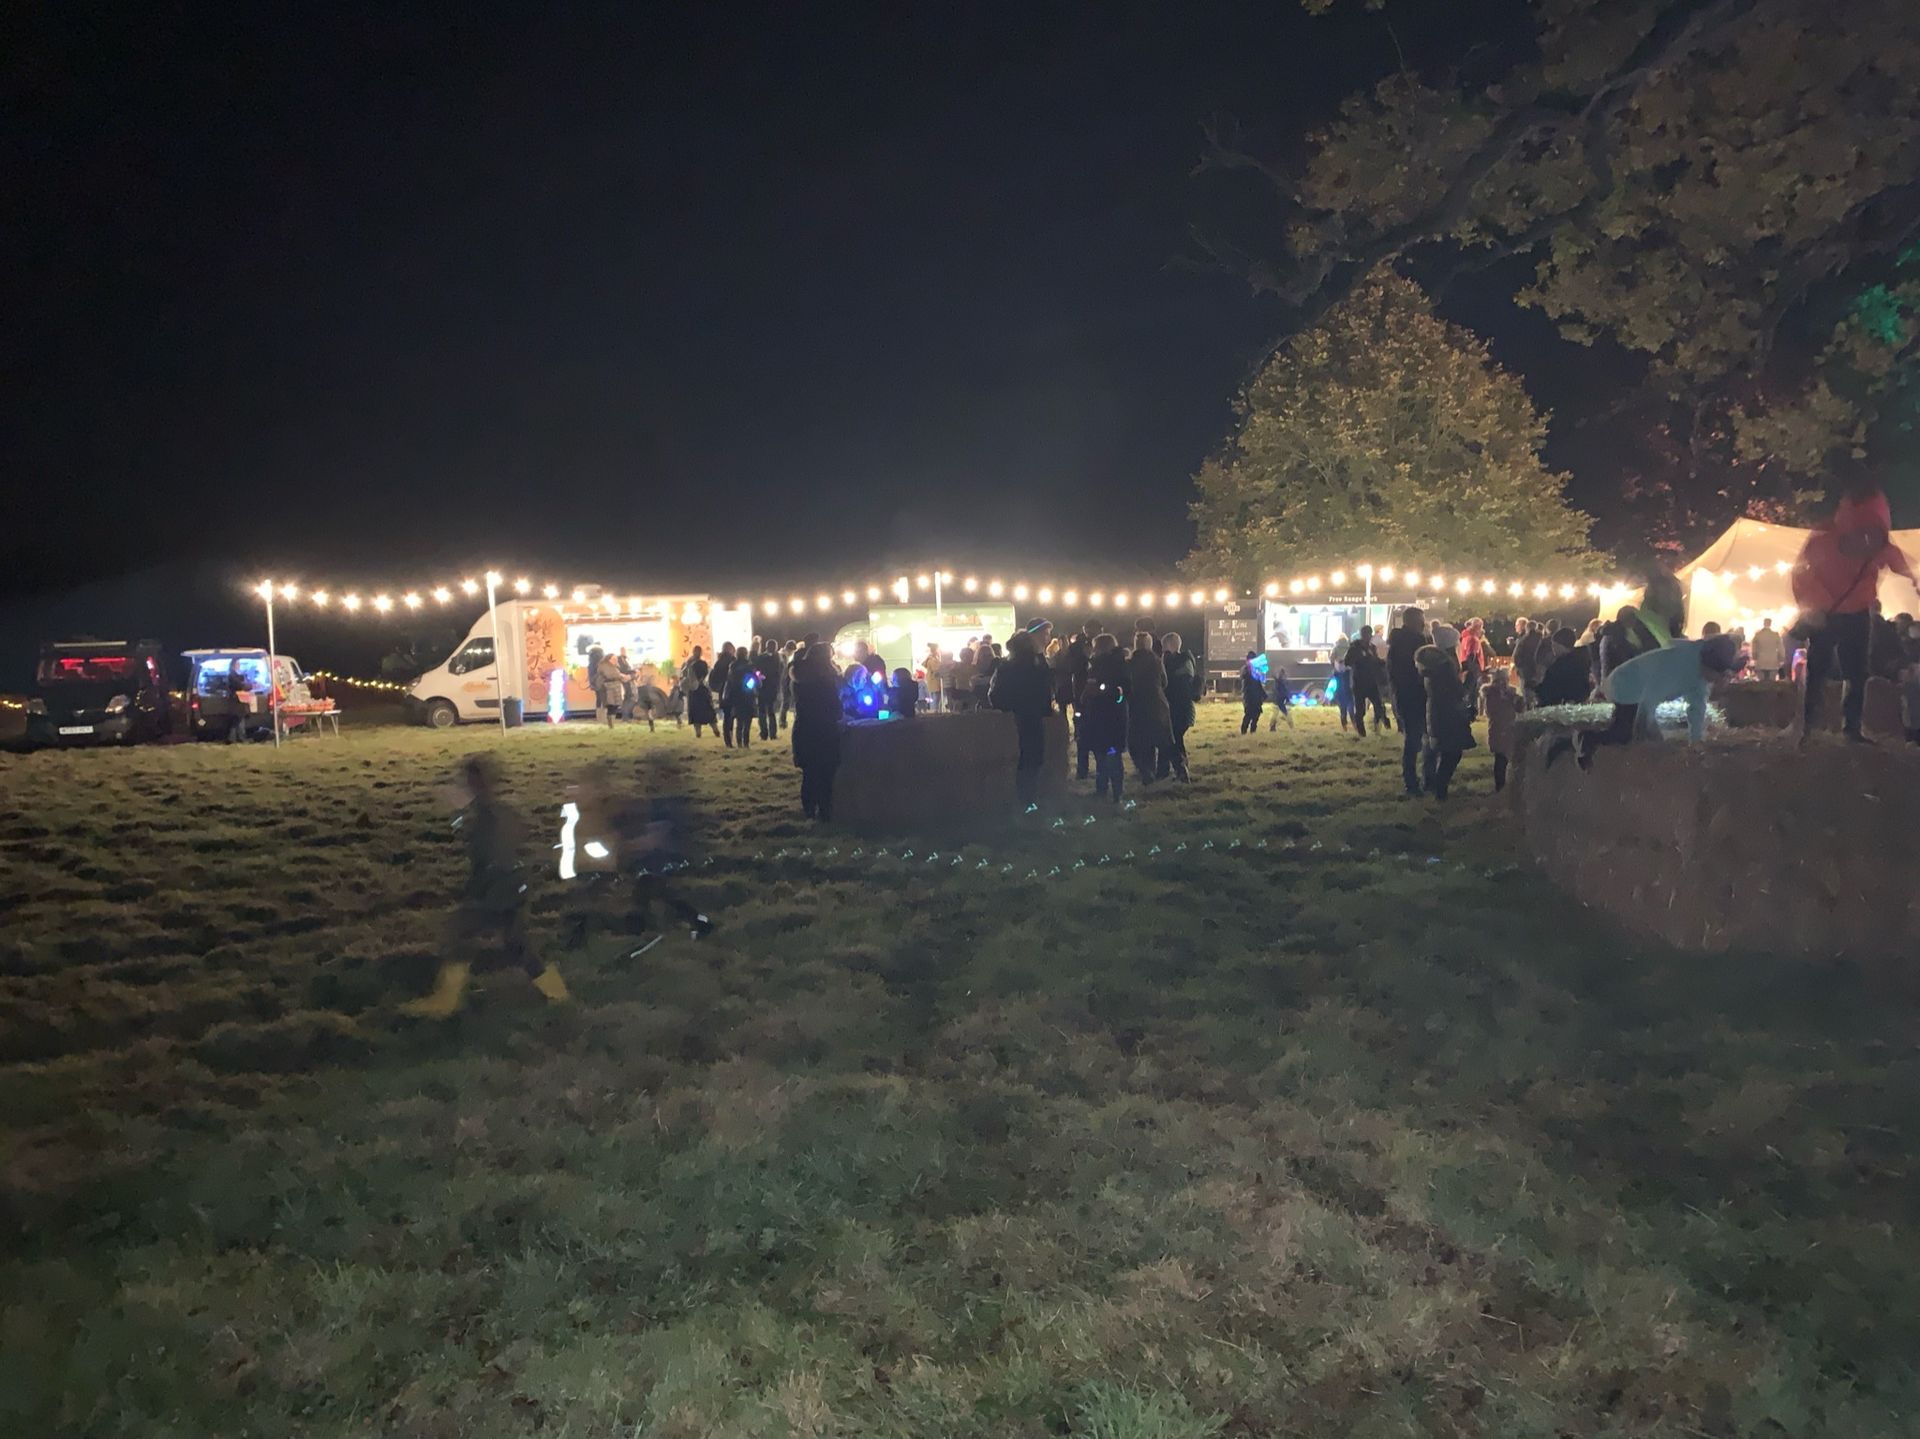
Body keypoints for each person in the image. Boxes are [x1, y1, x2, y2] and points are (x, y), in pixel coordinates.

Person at [404, 755, 568, 1017]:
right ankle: (558, 994)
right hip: (512, 886)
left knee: (460, 931)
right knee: (517, 944)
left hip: (496, 889)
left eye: (465, 780)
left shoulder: (486, 814)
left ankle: (445, 1001)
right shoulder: (501, 810)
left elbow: (485, 851)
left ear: (475, 782)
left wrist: (457, 816)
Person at [1792, 464, 1915, 742]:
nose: (1866, 539)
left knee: (1856, 672)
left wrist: (1915, 580)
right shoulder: (1823, 541)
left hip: (1856, 612)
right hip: (1826, 613)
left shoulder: (1877, 545)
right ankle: (1808, 726)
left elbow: (1901, 564)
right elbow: (1802, 575)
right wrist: (1815, 607)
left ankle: (1851, 727)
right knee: (1818, 670)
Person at [1600, 633, 1747, 743]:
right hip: (1625, 687)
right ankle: (1585, 740)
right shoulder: (1679, 664)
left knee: (1651, 741)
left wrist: (1696, 741)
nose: (1720, 681)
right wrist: (1644, 729)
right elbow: (1650, 696)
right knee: (1624, 737)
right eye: (1721, 675)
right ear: (1712, 668)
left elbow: (1697, 708)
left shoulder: (1700, 674)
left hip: (1637, 691)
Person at [990, 623, 1056, 807]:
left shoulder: (1006, 667)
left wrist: (1004, 707)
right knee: (1033, 759)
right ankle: (1029, 799)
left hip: (1012, 717)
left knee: (1016, 759)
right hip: (1033, 716)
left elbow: (995, 693)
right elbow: (1047, 689)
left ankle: (1019, 799)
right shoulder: (1038, 666)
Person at [790, 640, 843, 820]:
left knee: (810, 773)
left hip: (805, 728)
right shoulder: (826, 679)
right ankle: (825, 810)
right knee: (826, 773)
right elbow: (833, 705)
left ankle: (810, 809)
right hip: (824, 729)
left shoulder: (801, 677)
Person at [1415, 644, 1475, 800]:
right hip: (1449, 716)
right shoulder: (1444, 672)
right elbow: (1458, 692)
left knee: (1437, 751)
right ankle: (1440, 789)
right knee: (1452, 753)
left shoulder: (1429, 675)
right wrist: (1470, 678)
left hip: (1436, 715)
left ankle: (1432, 784)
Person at [1077, 633, 1130, 801]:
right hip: (1113, 717)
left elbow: (1121, 691)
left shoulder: (1107, 666)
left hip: (1105, 716)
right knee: (1107, 754)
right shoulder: (1119, 664)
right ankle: (1112, 790)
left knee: (1106, 754)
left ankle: (1110, 791)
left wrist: (1102, 692)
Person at [1387, 607, 1430, 796]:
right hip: (1417, 694)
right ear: (1413, 621)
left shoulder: (1395, 642)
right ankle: (1419, 781)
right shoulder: (1417, 642)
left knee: (1414, 738)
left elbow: (1392, 671)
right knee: (1421, 738)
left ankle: (1413, 780)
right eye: (1421, 620)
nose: (1423, 623)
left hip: (1403, 695)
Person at [1125, 631, 1172, 781]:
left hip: (1137, 704)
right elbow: (1164, 682)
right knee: (1162, 739)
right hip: (1157, 703)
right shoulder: (1156, 661)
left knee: (1142, 740)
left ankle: (1146, 770)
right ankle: (1163, 771)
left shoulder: (1129, 663)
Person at [1159, 631, 1198, 781]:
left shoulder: (1181, 662)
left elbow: (1174, 683)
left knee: (1173, 740)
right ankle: (1177, 769)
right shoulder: (1184, 660)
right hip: (1181, 707)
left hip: (1180, 708)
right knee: (1175, 739)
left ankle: (1181, 769)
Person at [1345, 626, 1389, 737]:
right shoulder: (1355, 647)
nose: (1367, 637)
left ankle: (1378, 728)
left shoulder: (1371, 647)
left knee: (1379, 706)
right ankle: (1361, 733)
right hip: (1359, 682)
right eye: (1365, 634)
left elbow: (1375, 661)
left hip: (1371, 681)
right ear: (1362, 634)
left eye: (1369, 634)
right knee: (1360, 710)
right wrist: (1360, 660)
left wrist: (1382, 663)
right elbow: (1347, 661)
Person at [1534, 626, 1593, 707]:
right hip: (1578, 701)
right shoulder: (1581, 659)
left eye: (1554, 645)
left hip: (1562, 704)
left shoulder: (1561, 665)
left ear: (1561, 645)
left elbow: (1550, 687)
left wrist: (1536, 688)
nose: (1553, 648)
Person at [1483, 666, 1519, 793]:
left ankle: (1510, 784)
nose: (1502, 684)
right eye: (1499, 681)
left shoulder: (1512, 694)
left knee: (1511, 758)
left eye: (1504, 680)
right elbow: (1491, 711)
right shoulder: (1490, 694)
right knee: (1500, 759)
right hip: (1498, 730)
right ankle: (1500, 786)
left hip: (1510, 730)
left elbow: (1519, 708)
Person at [720, 654, 758, 748]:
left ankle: (739, 743)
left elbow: (730, 682)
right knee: (747, 722)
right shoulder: (750, 666)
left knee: (739, 722)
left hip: (737, 698)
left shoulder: (732, 667)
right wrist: (750, 687)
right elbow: (754, 680)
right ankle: (746, 743)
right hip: (748, 697)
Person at [682, 645, 717, 738]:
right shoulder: (702, 664)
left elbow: (684, 674)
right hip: (702, 689)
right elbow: (705, 675)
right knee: (708, 711)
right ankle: (714, 730)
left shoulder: (690, 664)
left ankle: (699, 732)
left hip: (694, 690)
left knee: (696, 712)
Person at [756, 642, 786, 740]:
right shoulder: (779, 658)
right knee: (770, 711)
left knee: (763, 712)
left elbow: (756, 670)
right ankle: (771, 734)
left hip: (763, 687)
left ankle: (764, 733)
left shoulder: (761, 657)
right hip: (771, 687)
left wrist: (760, 677)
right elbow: (781, 673)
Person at [1458, 619, 1488, 717]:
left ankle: (1466, 710)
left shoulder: (1465, 637)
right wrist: (1474, 669)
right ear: (1478, 627)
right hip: (1473, 667)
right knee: (1472, 691)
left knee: (1468, 689)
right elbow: (1472, 654)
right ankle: (1471, 712)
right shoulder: (1473, 639)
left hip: (1466, 666)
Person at [1329, 633, 1354, 731]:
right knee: (1350, 698)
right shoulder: (1350, 647)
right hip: (1348, 673)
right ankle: (1354, 719)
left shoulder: (1335, 648)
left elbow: (1331, 659)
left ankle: (1344, 722)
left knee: (1341, 696)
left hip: (1338, 673)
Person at [596, 652, 628, 729]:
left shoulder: (615, 666)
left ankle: (611, 722)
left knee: (615, 705)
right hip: (608, 688)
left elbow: (616, 674)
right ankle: (610, 723)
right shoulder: (604, 666)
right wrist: (621, 676)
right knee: (611, 705)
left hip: (615, 688)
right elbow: (610, 675)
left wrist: (622, 676)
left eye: (616, 659)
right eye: (614, 659)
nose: (616, 660)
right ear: (609, 659)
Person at [1239, 651, 1265, 734]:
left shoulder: (1256, 669)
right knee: (1249, 714)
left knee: (1256, 714)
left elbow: (1259, 682)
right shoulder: (1245, 669)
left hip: (1256, 695)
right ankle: (1244, 731)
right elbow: (1244, 676)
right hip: (1249, 696)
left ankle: (1253, 730)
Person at [1266, 661, 1294, 730]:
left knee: (1276, 713)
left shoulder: (1279, 681)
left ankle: (1272, 726)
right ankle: (1291, 726)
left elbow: (1277, 688)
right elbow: (1284, 690)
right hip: (1281, 699)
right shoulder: (1283, 681)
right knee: (1284, 713)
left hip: (1278, 698)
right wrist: (1287, 698)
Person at [922, 642, 945, 713]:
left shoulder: (932, 659)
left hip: (933, 681)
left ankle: (935, 710)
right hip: (934, 681)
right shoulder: (933, 660)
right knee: (936, 698)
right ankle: (935, 712)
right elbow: (937, 669)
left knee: (935, 698)